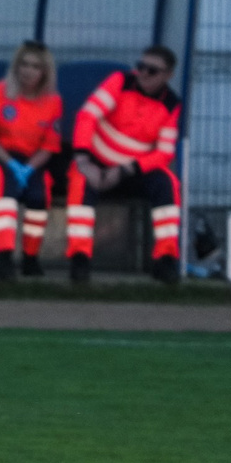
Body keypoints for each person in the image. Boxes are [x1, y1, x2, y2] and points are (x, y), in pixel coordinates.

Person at [65, 45, 183, 286]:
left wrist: (127, 169)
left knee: (167, 182)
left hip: (133, 170)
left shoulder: (172, 104)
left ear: (168, 75)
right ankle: (80, 258)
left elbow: (164, 153)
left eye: (152, 70)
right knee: (79, 180)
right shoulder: (120, 81)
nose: (143, 73)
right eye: (141, 66)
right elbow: (87, 115)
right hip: (96, 162)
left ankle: (166, 259)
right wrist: (84, 160)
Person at [0, 39, 63, 281]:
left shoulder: (53, 101)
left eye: (35, 66)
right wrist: (11, 165)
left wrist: (28, 169)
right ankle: (5, 258)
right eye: (24, 64)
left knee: (39, 195)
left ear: (45, 72)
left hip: (32, 162)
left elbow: (49, 147)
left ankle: (30, 258)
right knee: (6, 189)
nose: (28, 71)